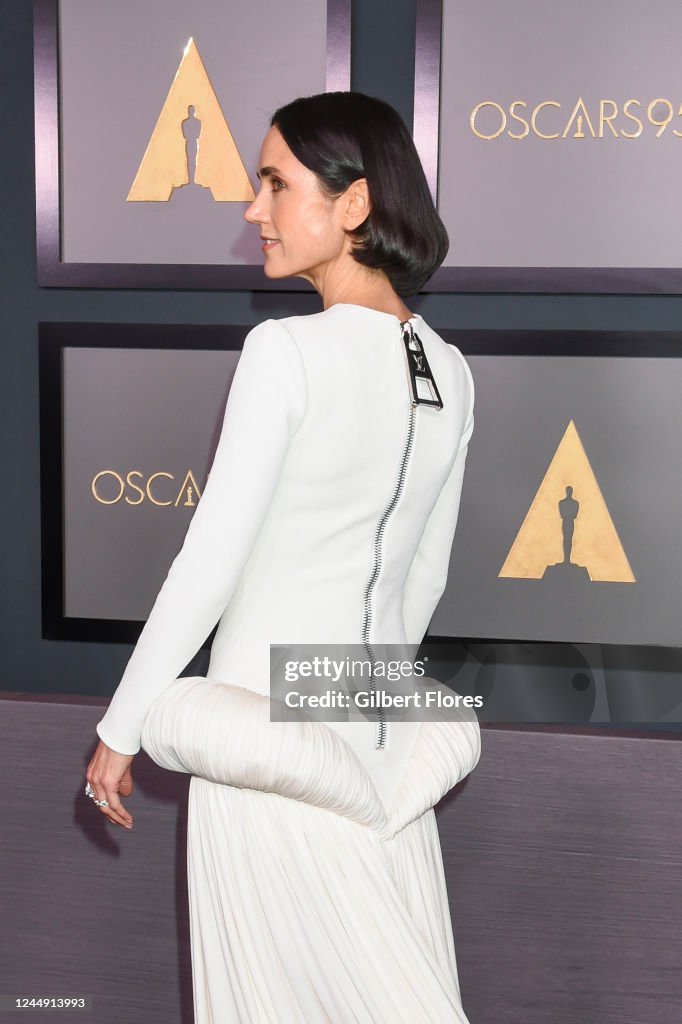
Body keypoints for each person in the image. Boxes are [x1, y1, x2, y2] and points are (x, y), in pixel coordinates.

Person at [85, 91, 480, 1023]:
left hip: (267, 757)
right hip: (377, 759)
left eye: (274, 182)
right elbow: (424, 580)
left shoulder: (285, 350)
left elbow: (209, 561)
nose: (252, 210)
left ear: (352, 207)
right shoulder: (452, 368)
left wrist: (122, 726)